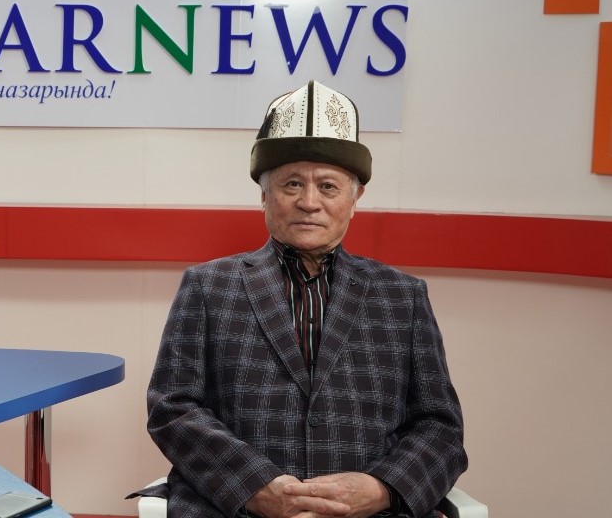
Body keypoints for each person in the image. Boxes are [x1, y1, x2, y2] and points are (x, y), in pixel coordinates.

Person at [141, 81, 467, 518]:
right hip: (236, 509)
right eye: (292, 184)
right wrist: (256, 487)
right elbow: (172, 409)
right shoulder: (207, 286)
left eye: (328, 187)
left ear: (355, 198)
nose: (309, 202)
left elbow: (440, 427)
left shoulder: (402, 296)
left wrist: (381, 489)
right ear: (264, 193)